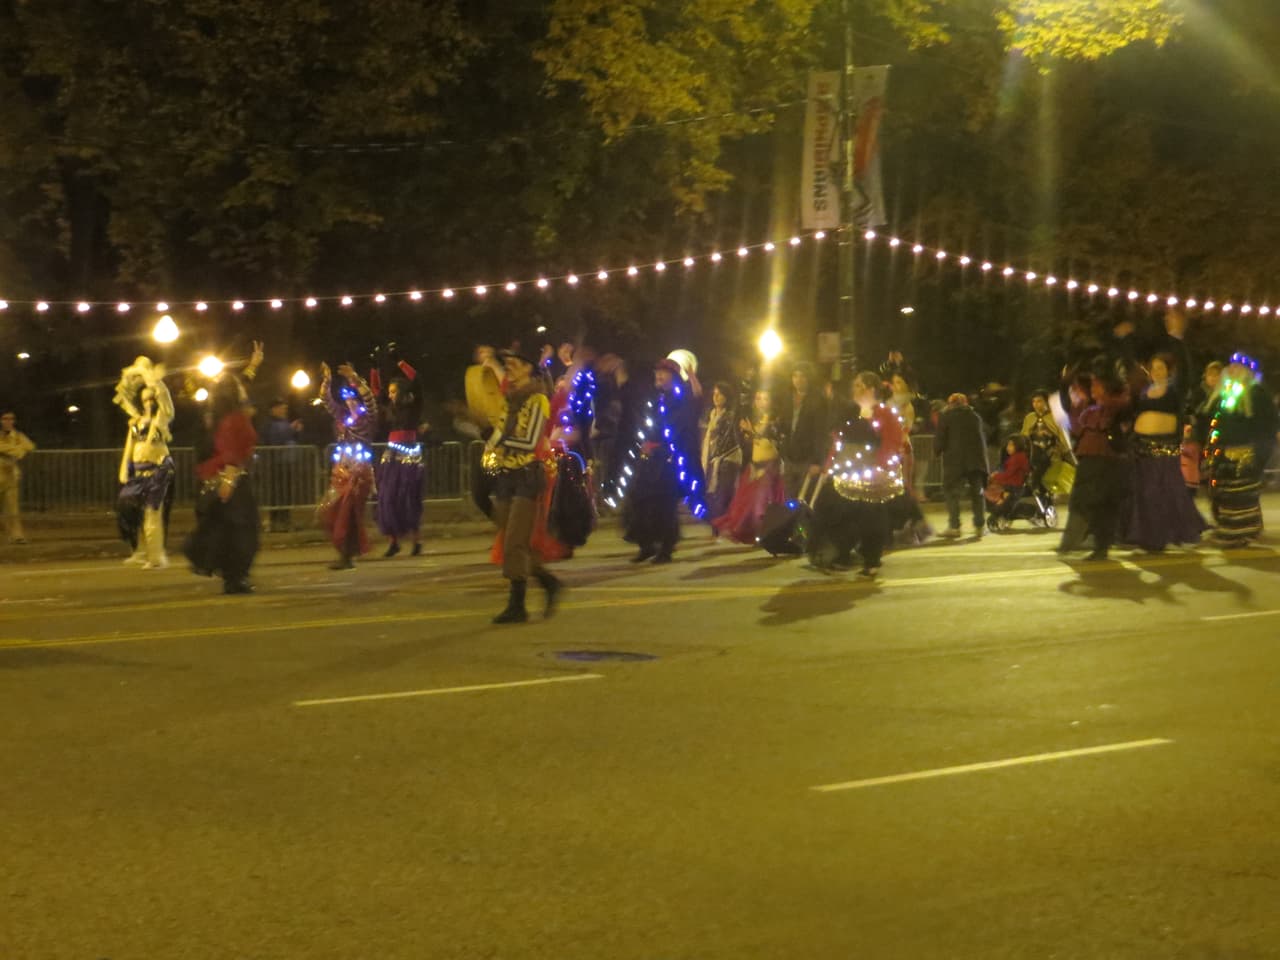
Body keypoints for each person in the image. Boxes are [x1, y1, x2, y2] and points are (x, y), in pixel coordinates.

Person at [480, 349, 562, 623]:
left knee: (515, 540)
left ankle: (517, 605)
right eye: (508, 365)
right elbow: (497, 437)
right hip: (507, 476)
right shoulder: (509, 401)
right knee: (513, 542)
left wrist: (497, 439)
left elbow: (529, 442)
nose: (510, 369)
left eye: (514, 364)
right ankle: (547, 581)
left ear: (529, 369)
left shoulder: (538, 400)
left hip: (528, 475)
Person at [809, 371, 904, 576]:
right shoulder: (851, 413)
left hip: (872, 475)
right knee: (837, 512)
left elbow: (893, 442)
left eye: (860, 385)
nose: (855, 389)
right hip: (848, 472)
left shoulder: (884, 414)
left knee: (871, 516)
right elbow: (839, 442)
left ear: (871, 389)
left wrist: (880, 467)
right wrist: (828, 467)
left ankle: (871, 559)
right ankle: (840, 554)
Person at [621, 357, 704, 563]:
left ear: (674, 376)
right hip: (651, 458)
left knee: (664, 505)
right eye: (656, 371)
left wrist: (692, 375)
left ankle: (666, 548)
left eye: (664, 372)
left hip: (669, 461)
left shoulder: (680, 399)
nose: (658, 375)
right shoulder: (657, 399)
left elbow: (695, 401)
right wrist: (646, 443)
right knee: (639, 499)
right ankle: (646, 544)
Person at [1123, 351, 1207, 551]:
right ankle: (1148, 536)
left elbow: (1186, 372)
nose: (1156, 371)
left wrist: (1177, 338)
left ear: (1169, 371)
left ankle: (1173, 531)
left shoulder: (1174, 389)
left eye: (1161, 367)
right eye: (1153, 368)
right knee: (1145, 493)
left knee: (1167, 490)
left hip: (1166, 447)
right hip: (1142, 446)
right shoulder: (1144, 390)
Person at [185, 373, 260, 594]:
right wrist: (229, 480)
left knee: (227, 530)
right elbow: (230, 451)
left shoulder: (221, 416)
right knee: (242, 531)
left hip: (226, 476)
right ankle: (235, 577)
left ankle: (233, 576)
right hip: (232, 478)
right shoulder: (233, 418)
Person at [1058, 370, 1131, 560]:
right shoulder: (1090, 409)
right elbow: (1073, 420)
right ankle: (1080, 540)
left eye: (1096, 386)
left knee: (1105, 504)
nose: (1093, 389)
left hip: (1108, 459)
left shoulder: (1117, 405)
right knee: (1085, 501)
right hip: (1089, 459)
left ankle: (1100, 545)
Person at [1205, 355, 1278, 546]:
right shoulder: (1226, 395)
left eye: (1238, 368)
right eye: (1231, 367)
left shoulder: (1257, 392)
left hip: (1247, 451)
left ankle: (1245, 531)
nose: (1233, 371)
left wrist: (1260, 452)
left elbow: (1268, 425)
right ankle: (1230, 529)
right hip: (1226, 452)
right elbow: (1216, 421)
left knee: (1244, 493)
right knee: (1228, 492)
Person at [112, 356, 176, 568]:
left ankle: (155, 557)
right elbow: (129, 449)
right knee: (128, 510)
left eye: (152, 400)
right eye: (145, 400)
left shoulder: (161, 422)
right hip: (138, 474)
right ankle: (139, 550)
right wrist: (124, 472)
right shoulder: (136, 423)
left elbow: (165, 400)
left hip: (157, 472)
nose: (149, 403)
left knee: (152, 514)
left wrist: (153, 381)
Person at [318, 362, 377, 570]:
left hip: (359, 471)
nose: (350, 401)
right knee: (333, 511)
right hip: (342, 469)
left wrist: (355, 379)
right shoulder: (342, 417)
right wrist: (327, 381)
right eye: (347, 398)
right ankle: (345, 553)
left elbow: (370, 399)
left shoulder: (367, 418)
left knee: (349, 512)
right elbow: (326, 400)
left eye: (353, 398)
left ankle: (347, 555)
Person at [373, 347, 427, 557]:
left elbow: (418, 381)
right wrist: (375, 368)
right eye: (390, 392)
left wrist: (400, 362)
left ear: (403, 392)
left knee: (408, 498)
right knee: (387, 497)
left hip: (410, 455)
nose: (390, 395)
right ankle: (394, 541)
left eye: (394, 392)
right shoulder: (392, 408)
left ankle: (416, 541)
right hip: (391, 455)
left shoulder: (414, 406)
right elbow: (377, 392)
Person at [713, 388, 784, 544]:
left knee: (763, 501)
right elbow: (748, 442)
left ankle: (764, 533)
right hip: (754, 462)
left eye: (765, 399)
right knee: (745, 500)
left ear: (771, 401)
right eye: (758, 398)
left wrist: (750, 431)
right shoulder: (753, 419)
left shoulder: (775, 420)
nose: (761, 402)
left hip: (769, 465)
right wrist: (747, 434)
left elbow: (766, 436)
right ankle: (751, 531)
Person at [935, 392, 989, 539]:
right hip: (975, 462)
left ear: (950, 404)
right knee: (977, 493)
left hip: (954, 461)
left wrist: (937, 451)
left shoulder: (946, 417)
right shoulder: (975, 417)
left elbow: (941, 438)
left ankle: (954, 526)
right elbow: (982, 439)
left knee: (951, 492)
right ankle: (979, 526)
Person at [777, 361, 828, 498]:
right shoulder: (787, 397)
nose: (798, 380)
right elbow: (783, 424)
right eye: (795, 376)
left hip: (807, 457)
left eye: (802, 376)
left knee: (804, 497)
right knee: (788, 496)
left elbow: (820, 432)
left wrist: (817, 461)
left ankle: (802, 519)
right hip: (789, 456)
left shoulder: (818, 400)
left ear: (808, 378)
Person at [701, 382, 743, 524]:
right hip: (714, 458)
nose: (716, 397)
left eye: (720, 394)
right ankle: (717, 524)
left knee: (723, 493)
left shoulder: (730, 416)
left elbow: (729, 438)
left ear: (726, 397)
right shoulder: (712, 414)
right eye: (714, 393)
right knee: (714, 492)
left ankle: (721, 523)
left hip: (728, 457)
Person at [259, 397, 303, 533]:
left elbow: (289, 438)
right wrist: (292, 430)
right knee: (277, 493)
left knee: (287, 492)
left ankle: (285, 519)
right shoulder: (270, 424)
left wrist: (295, 431)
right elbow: (275, 439)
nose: (284, 410)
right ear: (274, 409)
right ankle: (276, 520)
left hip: (287, 463)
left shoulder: (283, 422)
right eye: (281, 408)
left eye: (285, 408)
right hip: (276, 463)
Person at [1021, 390, 1071, 492]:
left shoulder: (1055, 417)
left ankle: (1036, 486)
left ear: (1046, 402)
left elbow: (1063, 437)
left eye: (1039, 401)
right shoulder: (1030, 418)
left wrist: (1065, 451)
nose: (1036, 404)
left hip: (1051, 452)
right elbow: (1024, 436)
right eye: (1034, 402)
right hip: (1032, 451)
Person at [0, 411, 35, 545]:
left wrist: (12, 450)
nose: (8, 421)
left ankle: (16, 536)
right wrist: (18, 450)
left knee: (12, 509)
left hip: (10, 476)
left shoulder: (17, 435)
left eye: (11, 419)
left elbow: (30, 446)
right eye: (5, 418)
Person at [985, 435, 1032, 524]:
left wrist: (994, 476)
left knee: (1002, 502)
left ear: (1018, 446)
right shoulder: (1014, 457)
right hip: (1009, 486)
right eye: (1008, 445)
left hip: (1014, 488)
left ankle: (1000, 513)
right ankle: (1002, 513)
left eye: (1011, 445)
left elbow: (1008, 474)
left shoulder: (1018, 458)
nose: (1008, 448)